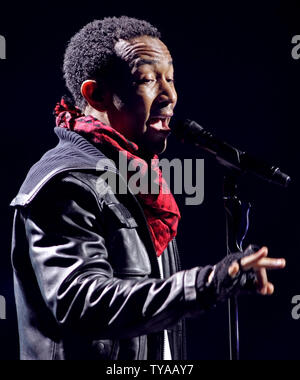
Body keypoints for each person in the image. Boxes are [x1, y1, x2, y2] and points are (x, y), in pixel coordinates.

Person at [10, 16, 286, 360]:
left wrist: (227, 280)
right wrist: (204, 284)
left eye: (169, 78)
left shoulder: (138, 178)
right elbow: (82, 303)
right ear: (96, 95)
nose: (169, 95)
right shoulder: (64, 183)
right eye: (147, 80)